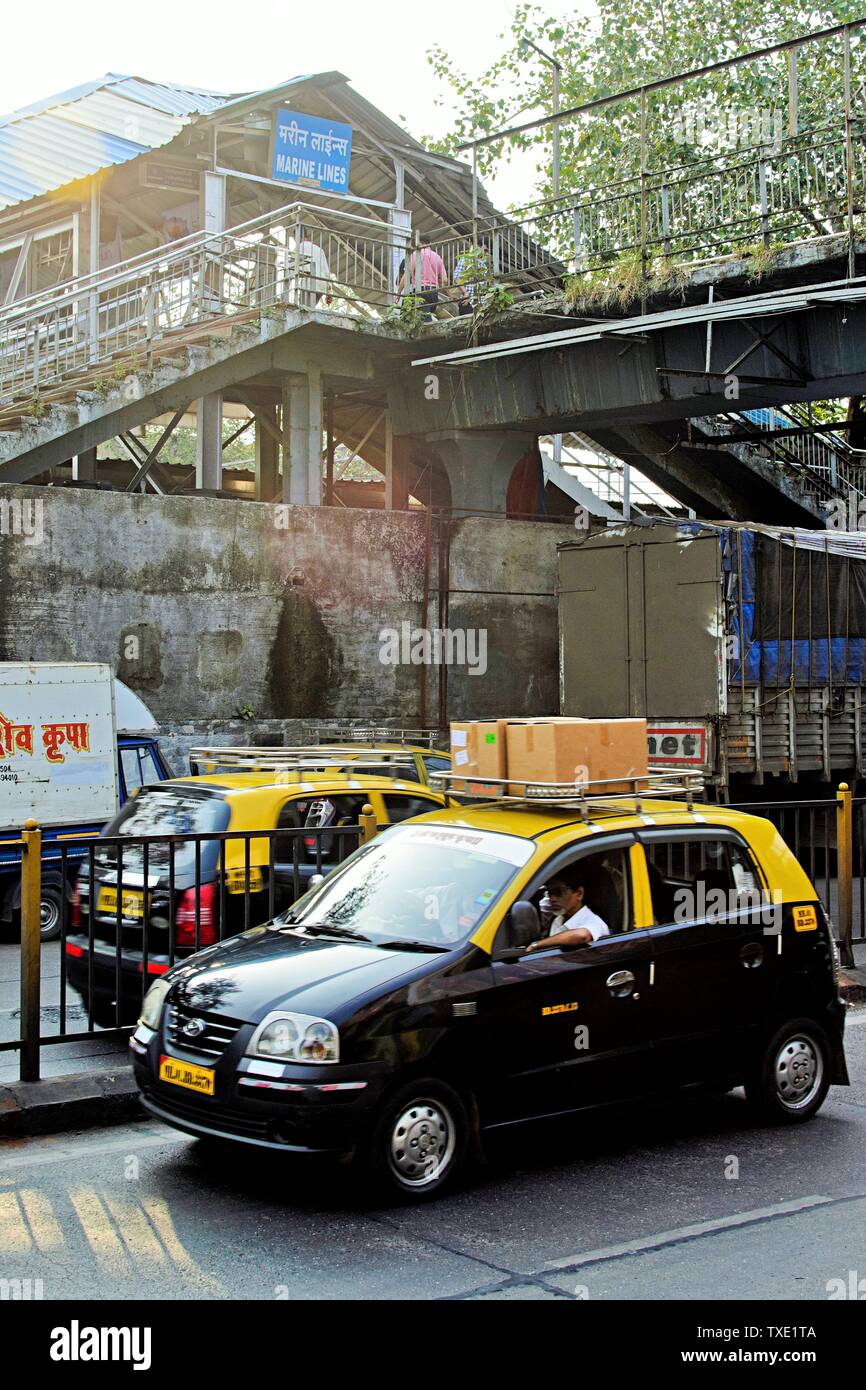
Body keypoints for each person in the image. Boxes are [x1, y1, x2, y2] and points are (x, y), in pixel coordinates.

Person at [526, 866, 609, 952]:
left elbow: (581, 936)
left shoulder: (594, 921)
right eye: (550, 893)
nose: (552, 898)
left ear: (579, 894)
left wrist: (537, 944)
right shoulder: (557, 920)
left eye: (559, 892)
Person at [397, 238, 448, 316]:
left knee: (406, 314)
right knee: (425, 316)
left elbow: (407, 276)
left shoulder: (416, 254)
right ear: (429, 243)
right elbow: (445, 280)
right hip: (433, 293)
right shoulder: (437, 256)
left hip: (420, 291)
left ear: (418, 244)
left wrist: (399, 293)